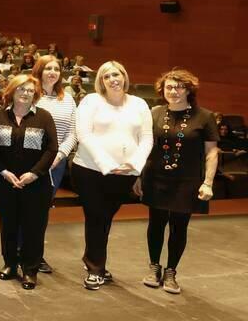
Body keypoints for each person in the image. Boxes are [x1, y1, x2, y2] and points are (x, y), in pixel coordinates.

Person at [136, 69, 218, 294]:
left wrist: (208, 182)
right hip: (156, 177)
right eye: (169, 87)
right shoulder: (154, 113)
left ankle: (171, 271)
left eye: (179, 87)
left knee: (179, 227)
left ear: (189, 89)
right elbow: (145, 147)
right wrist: (139, 175)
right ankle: (154, 267)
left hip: (187, 181)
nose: (174, 91)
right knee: (156, 223)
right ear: (162, 90)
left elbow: (212, 152)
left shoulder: (205, 117)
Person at [73, 60, 152, 291]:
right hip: (90, 171)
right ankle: (96, 268)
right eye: (106, 76)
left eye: (116, 74)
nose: (112, 79)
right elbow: (84, 135)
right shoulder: (91, 101)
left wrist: (135, 165)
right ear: (101, 81)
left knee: (104, 218)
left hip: (125, 172)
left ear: (125, 76)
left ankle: (92, 259)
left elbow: (146, 138)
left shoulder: (139, 103)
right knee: (97, 216)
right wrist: (106, 163)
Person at [0, 75, 58, 290]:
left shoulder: (44, 117)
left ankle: (30, 269)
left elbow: (51, 149)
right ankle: (10, 263)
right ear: (12, 91)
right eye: (21, 89)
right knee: (8, 224)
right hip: (7, 182)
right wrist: (3, 171)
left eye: (30, 90)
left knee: (33, 227)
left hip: (36, 184)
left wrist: (34, 173)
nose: (26, 93)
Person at [31, 54, 77, 274]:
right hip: (31, 160)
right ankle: (18, 252)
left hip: (57, 163)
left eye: (56, 69)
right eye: (47, 68)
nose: (52, 72)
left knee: (41, 210)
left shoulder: (66, 98)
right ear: (39, 70)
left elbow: (72, 131)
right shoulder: (30, 93)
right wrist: (43, 158)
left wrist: (60, 154)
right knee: (25, 207)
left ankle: (35, 254)